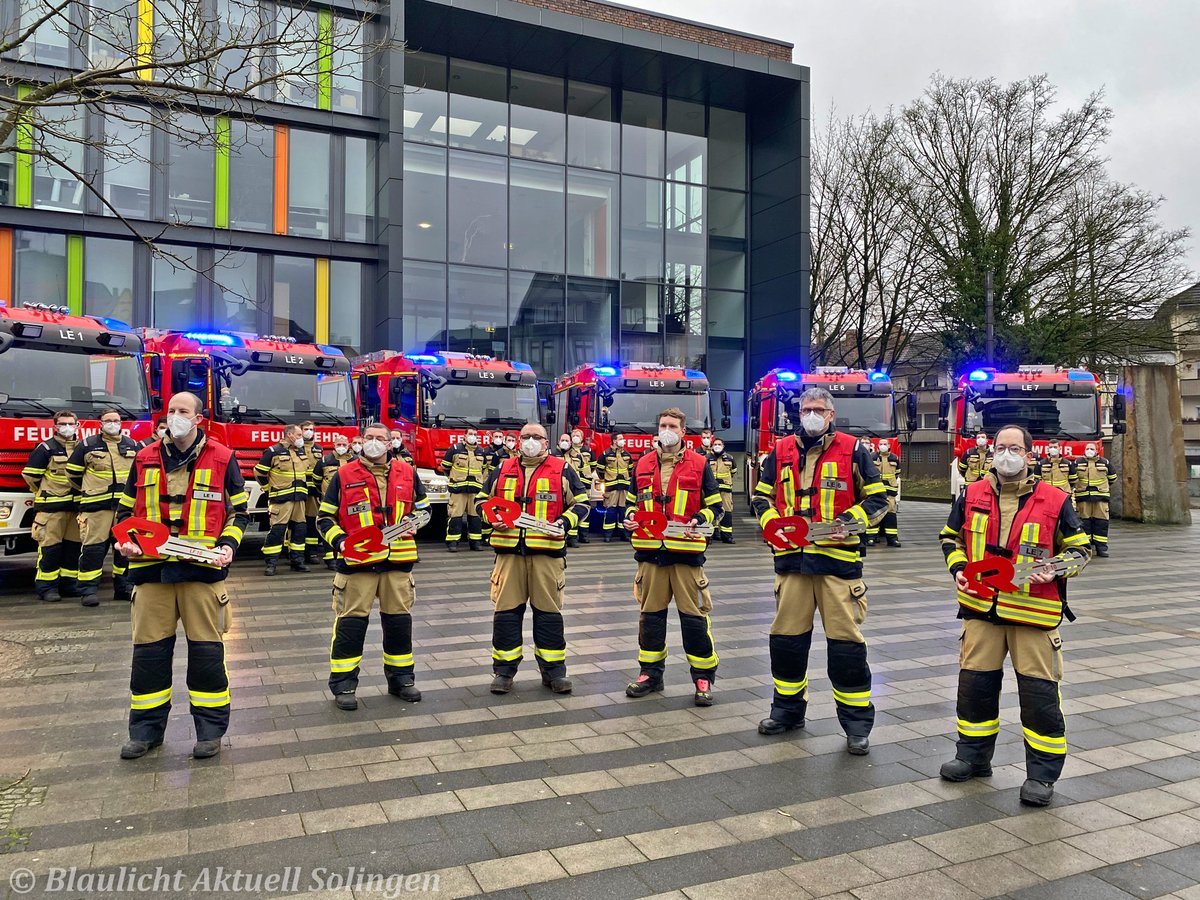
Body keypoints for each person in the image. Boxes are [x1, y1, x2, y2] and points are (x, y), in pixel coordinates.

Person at [938, 423, 1091, 806]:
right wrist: (958, 570)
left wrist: (1055, 568)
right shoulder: (971, 494)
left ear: (1028, 454)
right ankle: (972, 758)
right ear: (991, 451)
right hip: (980, 612)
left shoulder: (1056, 500)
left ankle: (1041, 775)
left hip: (1032, 616)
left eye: (1014, 448)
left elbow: (1080, 550)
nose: (1006, 454)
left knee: (1039, 697)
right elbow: (949, 538)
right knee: (975, 691)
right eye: (1000, 447)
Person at [750, 388, 888, 754]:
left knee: (845, 649)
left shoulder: (854, 449)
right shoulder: (779, 452)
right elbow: (761, 497)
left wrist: (848, 521)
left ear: (831, 414)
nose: (810, 414)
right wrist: (771, 525)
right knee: (786, 644)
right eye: (805, 409)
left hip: (837, 567)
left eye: (818, 410)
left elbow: (878, 499)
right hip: (792, 563)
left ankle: (857, 725)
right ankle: (787, 712)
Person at [113, 391, 248, 760]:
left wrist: (228, 546)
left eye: (183, 411)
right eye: (171, 410)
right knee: (149, 657)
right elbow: (125, 513)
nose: (175, 416)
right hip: (151, 572)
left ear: (199, 419)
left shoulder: (223, 458)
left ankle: (209, 731)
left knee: (206, 655)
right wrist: (126, 544)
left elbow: (239, 513)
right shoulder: (143, 457)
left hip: (201, 572)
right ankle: (145, 733)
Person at [317, 423, 430, 710]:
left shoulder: (407, 472)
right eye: (370, 438)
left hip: (398, 564)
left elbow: (425, 509)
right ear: (361, 441)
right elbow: (324, 519)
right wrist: (341, 542)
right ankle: (343, 684)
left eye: (381, 439)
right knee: (350, 626)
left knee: (399, 625)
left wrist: (417, 522)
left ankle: (401, 680)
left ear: (392, 443)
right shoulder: (343, 475)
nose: (375, 443)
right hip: (358, 563)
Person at [479, 423, 590, 695]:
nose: (530, 441)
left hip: (547, 557)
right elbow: (481, 502)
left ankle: (553, 672)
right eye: (525, 436)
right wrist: (492, 518)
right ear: (518, 441)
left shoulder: (562, 469)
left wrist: (565, 522)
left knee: (549, 615)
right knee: (506, 615)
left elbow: (583, 503)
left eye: (536, 437)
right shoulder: (502, 469)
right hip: (508, 557)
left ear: (546, 442)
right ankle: (504, 672)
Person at [623, 408, 723, 707]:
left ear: (682, 432)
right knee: (650, 619)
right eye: (662, 424)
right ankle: (650, 675)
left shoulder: (699, 463)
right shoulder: (642, 463)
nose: (666, 429)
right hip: (650, 554)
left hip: (686, 555)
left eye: (672, 425)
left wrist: (700, 518)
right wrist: (630, 516)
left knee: (694, 620)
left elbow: (716, 506)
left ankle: (703, 678)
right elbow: (631, 503)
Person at [66, 408, 139, 605]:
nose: (113, 423)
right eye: (108, 420)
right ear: (101, 424)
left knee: (125, 549)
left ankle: (123, 587)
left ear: (121, 423)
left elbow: (138, 475)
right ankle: (88, 590)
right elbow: (73, 474)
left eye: (116, 420)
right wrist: (90, 490)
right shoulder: (88, 445)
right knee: (93, 549)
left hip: (124, 509)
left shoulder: (132, 445)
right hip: (96, 507)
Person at [22, 410, 83, 602]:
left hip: (75, 509)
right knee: (50, 549)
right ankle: (47, 587)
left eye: (70, 423)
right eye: (62, 424)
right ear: (55, 426)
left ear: (77, 425)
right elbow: (31, 476)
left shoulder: (82, 447)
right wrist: (47, 492)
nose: (66, 427)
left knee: (73, 549)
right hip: (51, 509)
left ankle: (69, 585)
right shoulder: (45, 448)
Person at [255, 424, 312, 575]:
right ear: (289, 435)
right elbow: (259, 473)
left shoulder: (301, 451)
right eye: (299, 435)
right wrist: (268, 489)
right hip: (281, 499)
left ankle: (297, 561)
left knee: (300, 530)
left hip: (299, 499)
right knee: (277, 531)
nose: (302, 438)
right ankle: (271, 563)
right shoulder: (273, 452)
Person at [312, 434, 355, 570]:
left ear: (349, 445)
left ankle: (349, 553)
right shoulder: (325, 460)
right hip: (331, 501)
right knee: (329, 526)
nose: (341, 447)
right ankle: (330, 559)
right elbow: (316, 479)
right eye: (339, 444)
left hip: (351, 502)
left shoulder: (355, 460)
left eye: (344, 444)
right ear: (334, 445)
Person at [441, 427, 486, 552]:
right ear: (464, 436)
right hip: (458, 490)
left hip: (475, 491)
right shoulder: (455, 449)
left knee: (475, 517)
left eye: (475, 434)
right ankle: (453, 542)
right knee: (455, 516)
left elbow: (483, 470)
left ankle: (475, 542)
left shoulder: (481, 451)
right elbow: (445, 467)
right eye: (470, 434)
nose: (472, 436)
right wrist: (454, 478)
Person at [1075, 442, 1116, 557]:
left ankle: (1101, 548)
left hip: (1100, 498)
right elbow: (1073, 478)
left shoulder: (1105, 463)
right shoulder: (1077, 463)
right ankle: (1086, 548)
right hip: (1083, 498)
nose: (1089, 450)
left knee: (1101, 523)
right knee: (1084, 524)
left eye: (1091, 448)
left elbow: (1112, 478)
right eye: (1087, 448)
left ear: (1097, 450)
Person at [556, 428, 596, 546]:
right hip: (559, 486)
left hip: (574, 487)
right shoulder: (553, 453)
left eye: (566, 440)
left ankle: (574, 538)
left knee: (574, 510)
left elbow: (588, 469)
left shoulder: (578, 455)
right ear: (558, 441)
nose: (564, 442)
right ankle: (563, 536)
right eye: (562, 440)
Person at [596, 436, 633, 542]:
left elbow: (630, 470)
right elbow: (600, 470)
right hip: (611, 488)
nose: (623, 440)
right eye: (620, 438)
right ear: (614, 441)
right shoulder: (605, 454)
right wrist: (606, 480)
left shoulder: (627, 454)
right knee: (610, 511)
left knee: (623, 511)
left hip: (624, 488)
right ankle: (608, 534)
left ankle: (624, 533)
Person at [867, 439, 902, 548]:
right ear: (877, 446)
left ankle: (892, 539)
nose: (883, 446)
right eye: (881, 444)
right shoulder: (872, 457)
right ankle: (871, 538)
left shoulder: (894, 458)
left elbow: (897, 473)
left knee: (890, 515)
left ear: (889, 445)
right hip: (875, 492)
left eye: (885, 444)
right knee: (874, 514)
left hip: (890, 492)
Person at [298, 421, 324, 565]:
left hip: (313, 492)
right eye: (306, 429)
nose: (308, 431)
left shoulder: (318, 449)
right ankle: (295, 554)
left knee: (311, 521)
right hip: (296, 491)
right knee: (296, 523)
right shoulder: (295, 448)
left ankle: (312, 552)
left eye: (311, 429)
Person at [706, 436, 736, 544]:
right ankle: (710, 535)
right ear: (712, 446)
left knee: (727, 512)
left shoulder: (730, 458)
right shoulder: (706, 458)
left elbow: (733, 471)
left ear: (723, 446)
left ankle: (727, 536)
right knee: (710, 512)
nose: (717, 446)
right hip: (711, 491)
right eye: (715, 444)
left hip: (725, 491)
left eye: (719, 444)